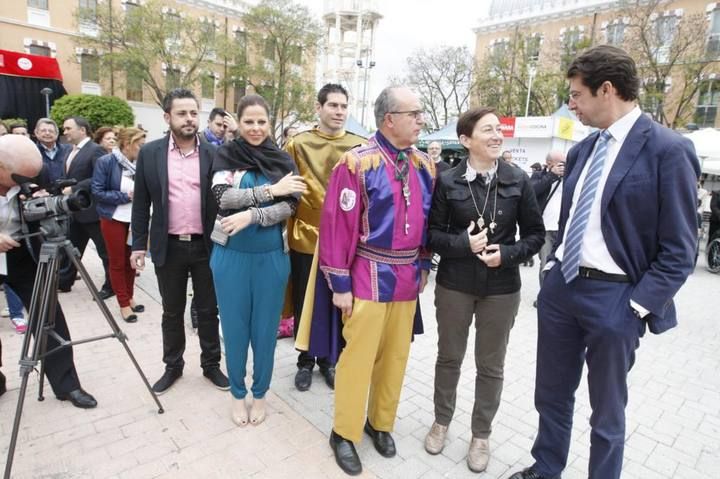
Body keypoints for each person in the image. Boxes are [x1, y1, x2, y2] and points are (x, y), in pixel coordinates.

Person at [509, 45, 700, 479]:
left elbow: (680, 249)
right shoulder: (582, 150)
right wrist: (554, 268)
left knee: (607, 412)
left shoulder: (668, 150)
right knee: (551, 394)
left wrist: (636, 306)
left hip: (617, 299)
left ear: (607, 89)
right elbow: (576, 216)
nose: (571, 104)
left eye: (576, 95)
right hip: (562, 291)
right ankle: (546, 467)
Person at [309, 86, 435, 476]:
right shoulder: (356, 164)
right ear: (388, 119)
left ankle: (380, 423)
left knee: (396, 359)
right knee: (357, 360)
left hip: (407, 279)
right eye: (413, 113)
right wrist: (340, 287)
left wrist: (426, 263)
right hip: (367, 276)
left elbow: (429, 220)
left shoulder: (425, 165)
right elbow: (336, 227)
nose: (421, 120)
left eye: (421, 113)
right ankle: (344, 433)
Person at [424, 107, 544, 473]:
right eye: (487, 130)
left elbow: (536, 236)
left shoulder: (518, 179)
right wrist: (464, 244)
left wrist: (506, 254)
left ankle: (481, 434)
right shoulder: (448, 180)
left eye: (498, 130)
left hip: (502, 287)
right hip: (455, 284)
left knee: (491, 365)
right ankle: (441, 421)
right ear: (465, 140)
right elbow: (432, 235)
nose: (496, 136)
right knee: (449, 357)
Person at [209, 94, 305, 426]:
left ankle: (260, 393)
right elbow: (223, 197)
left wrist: (251, 216)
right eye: (248, 121)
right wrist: (269, 192)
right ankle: (238, 394)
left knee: (265, 332)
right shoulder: (226, 155)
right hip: (230, 255)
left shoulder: (281, 159)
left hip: (270, 259)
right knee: (234, 330)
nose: (255, 127)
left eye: (261, 121)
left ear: (269, 122)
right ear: (239, 122)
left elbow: (291, 206)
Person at [130, 88, 229, 395]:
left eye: (193, 113)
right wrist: (137, 245)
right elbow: (141, 204)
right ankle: (173, 366)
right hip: (168, 246)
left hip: (206, 246)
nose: (189, 119)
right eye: (182, 113)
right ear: (167, 117)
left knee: (209, 310)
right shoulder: (150, 153)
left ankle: (211, 365)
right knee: (171, 311)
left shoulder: (215, 154)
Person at [0, 134, 97, 407]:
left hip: (23, 254)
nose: (28, 182)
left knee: (49, 315)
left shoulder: (31, 175)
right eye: (22, 178)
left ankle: (67, 384)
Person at [287, 83, 367, 392]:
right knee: (304, 302)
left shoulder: (360, 146)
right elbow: (288, 189)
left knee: (340, 301)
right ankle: (305, 361)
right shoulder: (297, 143)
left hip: (346, 242)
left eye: (343, 106)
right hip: (306, 235)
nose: (339, 111)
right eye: (332, 105)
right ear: (318, 108)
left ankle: (330, 361)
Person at [91, 127, 146, 323]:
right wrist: (125, 196)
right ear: (127, 144)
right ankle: (123, 304)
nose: (143, 147)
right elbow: (97, 191)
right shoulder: (106, 162)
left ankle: (130, 297)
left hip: (135, 219)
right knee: (117, 262)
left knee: (131, 261)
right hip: (113, 218)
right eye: (140, 144)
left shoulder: (141, 163)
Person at [59, 116, 113, 299]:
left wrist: (74, 188)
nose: (64, 132)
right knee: (72, 249)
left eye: (68, 128)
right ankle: (64, 282)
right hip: (76, 212)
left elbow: (101, 176)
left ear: (82, 130)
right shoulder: (70, 151)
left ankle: (111, 285)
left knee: (105, 252)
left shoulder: (95, 150)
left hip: (94, 212)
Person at [531, 150, 565, 289]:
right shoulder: (540, 176)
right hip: (545, 229)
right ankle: (544, 296)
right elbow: (531, 191)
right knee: (545, 263)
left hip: (564, 229)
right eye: (561, 163)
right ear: (550, 163)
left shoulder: (570, 177)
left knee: (562, 265)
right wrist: (552, 176)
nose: (564, 167)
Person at [35, 118, 71, 183]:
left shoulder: (68, 150)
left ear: (57, 134)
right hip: (41, 191)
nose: (47, 133)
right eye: (43, 131)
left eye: (51, 131)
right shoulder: (32, 152)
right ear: (36, 133)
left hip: (65, 190)